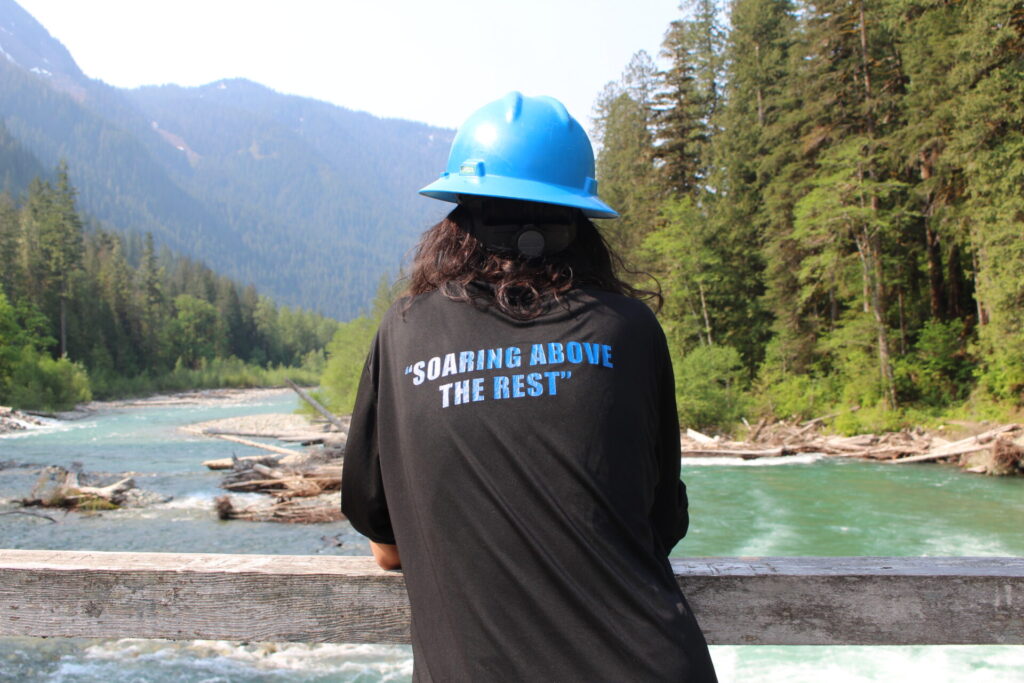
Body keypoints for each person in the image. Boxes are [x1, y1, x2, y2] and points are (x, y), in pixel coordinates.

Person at [342, 92, 717, 682]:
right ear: (578, 221)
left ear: (458, 216)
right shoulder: (628, 329)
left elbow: (385, 543)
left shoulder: (404, 330)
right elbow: (658, 524)